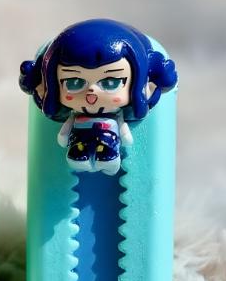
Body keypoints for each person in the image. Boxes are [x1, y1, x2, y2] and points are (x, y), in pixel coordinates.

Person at [19, 19, 177, 175]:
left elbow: (125, 134)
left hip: (107, 139)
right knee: (77, 155)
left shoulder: (118, 115)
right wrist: (63, 135)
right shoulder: (74, 115)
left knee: (107, 154)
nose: (91, 92)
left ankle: (108, 161)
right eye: (74, 82)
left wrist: (125, 135)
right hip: (79, 140)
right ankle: (80, 159)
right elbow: (64, 133)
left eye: (111, 82)